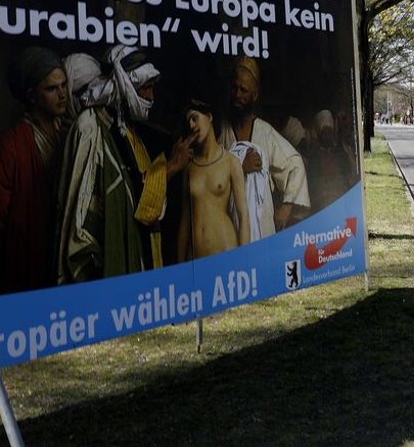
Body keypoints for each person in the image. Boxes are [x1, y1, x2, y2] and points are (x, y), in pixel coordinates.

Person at [56, 46, 192, 283]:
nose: (151, 98)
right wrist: (170, 167)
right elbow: (86, 221)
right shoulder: (90, 127)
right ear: (124, 86)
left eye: (152, 89)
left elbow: (138, 196)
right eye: (145, 89)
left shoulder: (124, 127)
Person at [0, 47, 68, 295]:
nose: (62, 94)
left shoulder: (66, 137)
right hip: (22, 277)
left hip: (57, 265)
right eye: (51, 89)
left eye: (64, 85)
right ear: (32, 96)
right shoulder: (10, 146)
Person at [220, 57, 310, 236]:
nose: (238, 95)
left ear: (254, 95)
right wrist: (239, 167)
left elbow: (294, 163)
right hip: (231, 225)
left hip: (262, 223)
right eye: (235, 88)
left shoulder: (264, 131)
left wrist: (286, 206)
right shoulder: (222, 131)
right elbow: (211, 174)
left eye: (244, 90)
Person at [178, 99, 250, 260]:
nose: (191, 125)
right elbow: (185, 221)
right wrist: (180, 266)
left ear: (209, 117)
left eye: (195, 118)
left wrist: (244, 261)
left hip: (225, 251)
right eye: (188, 122)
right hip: (195, 258)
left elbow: (243, 216)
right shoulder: (189, 167)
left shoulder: (231, 162)